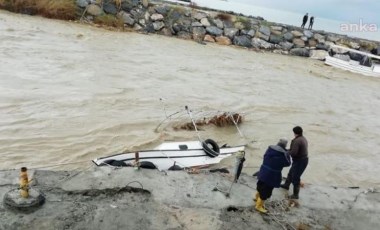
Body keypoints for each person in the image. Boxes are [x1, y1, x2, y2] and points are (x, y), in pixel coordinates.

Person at [255, 138, 291, 213]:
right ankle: (258, 206)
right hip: (272, 175)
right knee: (266, 191)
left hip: (263, 171)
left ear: (278, 143)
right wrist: (287, 154)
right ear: (285, 145)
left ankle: (256, 198)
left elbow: (265, 156)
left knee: (260, 185)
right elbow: (288, 163)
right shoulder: (284, 154)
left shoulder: (270, 148)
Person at [280, 126, 309, 199]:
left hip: (300, 161)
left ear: (294, 133)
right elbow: (294, 150)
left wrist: (285, 153)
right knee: (291, 173)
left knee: (295, 178)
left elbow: (294, 153)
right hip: (302, 160)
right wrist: (287, 150)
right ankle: (286, 185)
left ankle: (296, 195)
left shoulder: (297, 141)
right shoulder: (303, 138)